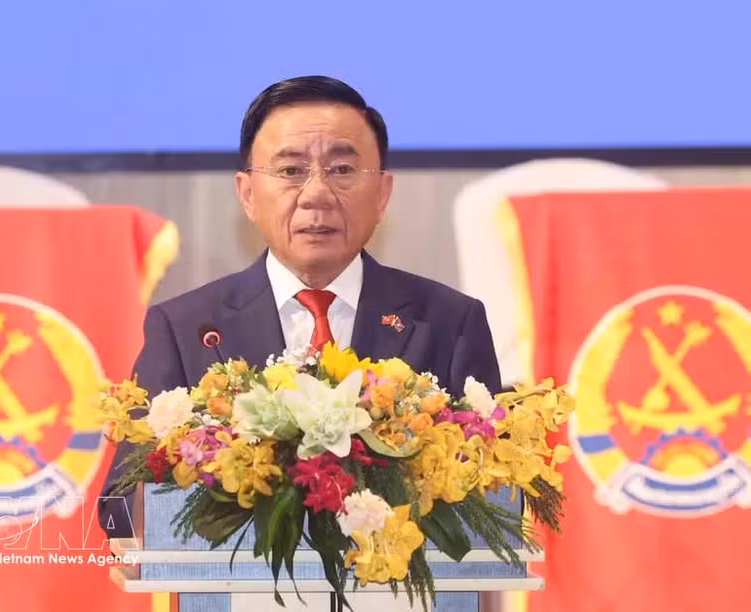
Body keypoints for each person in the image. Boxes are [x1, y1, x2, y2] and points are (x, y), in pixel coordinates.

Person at [98, 75, 501, 537]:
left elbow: (496, 504)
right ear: (247, 194)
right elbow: (119, 510)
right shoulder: (185, 329)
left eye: (343, 170)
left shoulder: (451, 323)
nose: (316, 194)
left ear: (383, 193)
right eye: (290, 171)